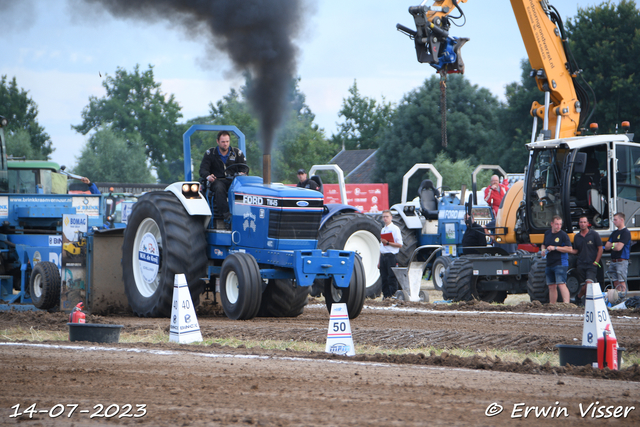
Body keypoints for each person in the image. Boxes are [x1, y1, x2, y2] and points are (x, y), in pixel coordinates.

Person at [199, 131, 246, 225]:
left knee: (242, 189)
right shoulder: (210, 154)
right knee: (219, 188)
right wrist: (208, 176)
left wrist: (242, 173)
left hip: (233, 180)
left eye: (227, 141)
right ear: (218, 141)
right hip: (217, 180)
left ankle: (243, 213)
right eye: (223, 142)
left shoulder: (237, 153)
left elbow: (244, 168)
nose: (225, 144)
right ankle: (226, 215)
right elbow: (203, 170)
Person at [541, 215, 573, 304]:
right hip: (549, 263)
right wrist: (543, 250)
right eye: (556, 224)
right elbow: (543, 244)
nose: (558, 226)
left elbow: (569, 249)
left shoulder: (563, 235)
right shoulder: (547, 233)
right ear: (552, 224)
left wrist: (555, 248)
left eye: (560, 224)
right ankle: (552, 304)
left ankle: (566, 303)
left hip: (560, 263)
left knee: (561, 283)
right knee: (551, 285)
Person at [572, 215, 603, 299]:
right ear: (579, 223)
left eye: (584, 222)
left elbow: (600, 248)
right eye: (581, 222)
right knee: (584, 286)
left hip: (591, 264)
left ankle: (578, 297)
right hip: (581, 264)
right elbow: (576, 250)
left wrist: (596, 262)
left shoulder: (594, 234)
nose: (582, 224)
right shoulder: (576, 237)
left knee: (589, 283)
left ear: (588, 224)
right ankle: (585, 303)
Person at [604, 212, 631, 293]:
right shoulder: (614, 233)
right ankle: (618, 299)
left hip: (621, 261)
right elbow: (606, 246)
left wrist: (613, 245)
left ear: (621, 220)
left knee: (622, 281)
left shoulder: (625, 232)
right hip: (613, 260)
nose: (614, 222)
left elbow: (619, 247)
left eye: (615, 220)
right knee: (615, 282)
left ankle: (624, 299)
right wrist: (614, 245)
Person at [379, 210, 403, 299]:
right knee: (384, 277)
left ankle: (393, 295)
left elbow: (400, 244)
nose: (385, 218)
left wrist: (388, 242)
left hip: (391, 255)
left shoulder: (395, 229)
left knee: (391, 276)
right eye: (383, 217)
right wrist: (379, 260)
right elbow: (381, 246)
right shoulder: (383, 229)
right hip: (383, 255)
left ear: (391, 217)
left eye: (387, 216)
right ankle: (386, 296)